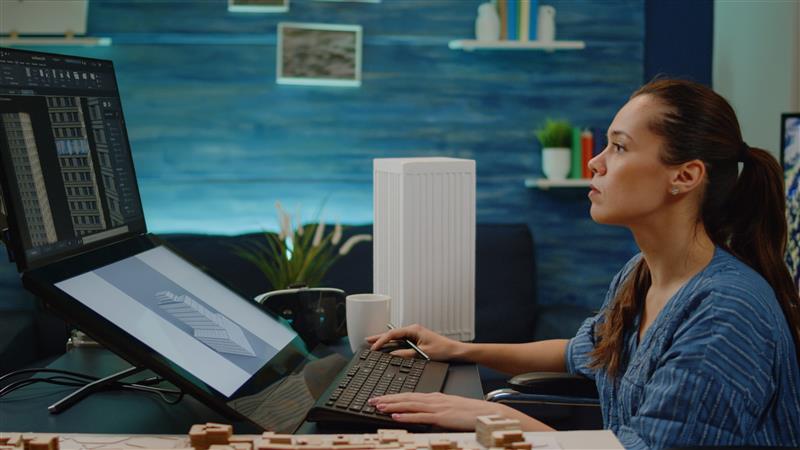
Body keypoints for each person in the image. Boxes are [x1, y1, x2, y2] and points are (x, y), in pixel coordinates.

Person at [366, 79, 800, 449]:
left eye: (618, 147)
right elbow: (585, 352)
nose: (595, 162)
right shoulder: (640, 275)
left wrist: (491, 417)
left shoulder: (724, 313)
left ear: (684, 176)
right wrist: (459, 350)